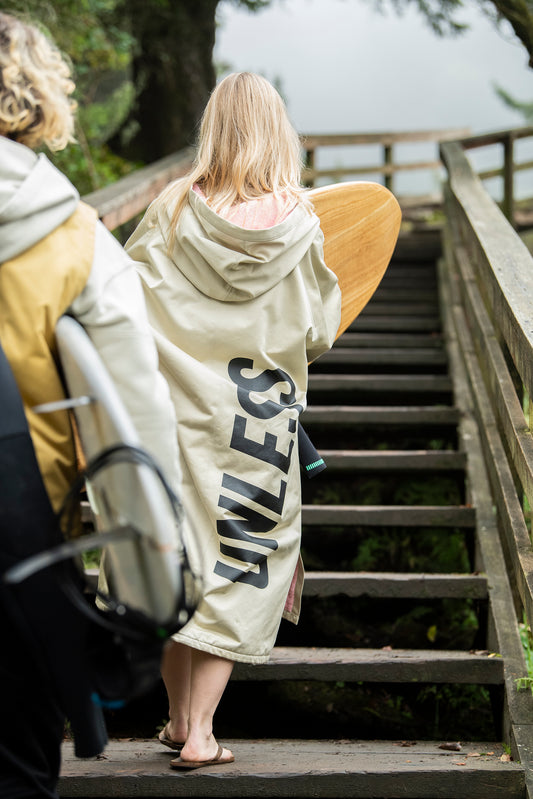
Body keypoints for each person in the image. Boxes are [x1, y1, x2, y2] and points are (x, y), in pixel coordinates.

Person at [125, 71, 342, 770]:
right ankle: (201, 732)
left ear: (212, 129)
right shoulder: (299, 223)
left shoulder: (169, 210)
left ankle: (177, 718)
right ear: (277, 132)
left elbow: (125, 301)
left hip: (175, 415)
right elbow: (317, 329)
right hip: (257, 419)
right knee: (242, 561)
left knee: (179, 558)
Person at [0, 12, 181, 797]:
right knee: (17, 760)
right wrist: (148, 593)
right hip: (22, 544)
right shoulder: (73, 236)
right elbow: (137, 416)